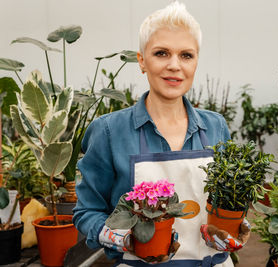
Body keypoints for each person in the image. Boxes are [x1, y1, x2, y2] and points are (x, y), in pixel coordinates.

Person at [73, 2, 249, 266]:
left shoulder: (216, 127)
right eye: (162, 53)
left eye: (186, 55)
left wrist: (237, 228)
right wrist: (124, 239)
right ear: (142, 61)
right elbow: (87, 212)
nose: (175, 66)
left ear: (196, 62)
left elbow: (229, 205)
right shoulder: (109, 131)